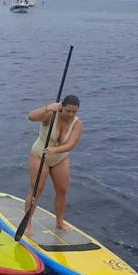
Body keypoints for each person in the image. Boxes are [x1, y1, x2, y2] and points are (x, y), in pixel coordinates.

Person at [24, 94, 83, 234]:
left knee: (62, 191)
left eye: (74, 111)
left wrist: (55, 150)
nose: (71, 114)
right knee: (37, 190)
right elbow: (31, 117)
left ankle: (60, 222)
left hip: (60, 158)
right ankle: (27, 224)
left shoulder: (77, 124)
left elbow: (70, 144)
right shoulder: (51, 114)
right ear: (61, 107)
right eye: (68, 110)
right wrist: (47, 108)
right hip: (40, 155)